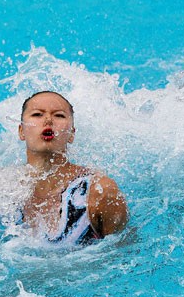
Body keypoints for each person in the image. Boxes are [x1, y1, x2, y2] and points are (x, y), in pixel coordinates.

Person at [12, 90, 128, 245]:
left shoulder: (99, 192)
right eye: (37, 114)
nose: (48, 120)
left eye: (59, 115)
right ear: (21, 131)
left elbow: (123, 251)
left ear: (72, 134)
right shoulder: (1, 189)